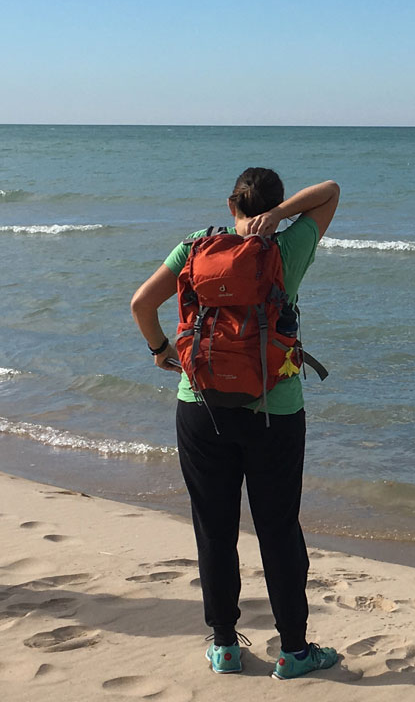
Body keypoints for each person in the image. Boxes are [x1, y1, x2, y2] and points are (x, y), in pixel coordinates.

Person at [131, 170, 340, 679]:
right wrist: (281, 216)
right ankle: (294, 652)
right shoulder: (286, 250)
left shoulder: (195, 247)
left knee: (215, 527)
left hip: (199, 404)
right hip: (275, 410)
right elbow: (331, 191)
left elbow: (141, 304)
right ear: (273, 206)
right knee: (278, 529)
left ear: (230, 205)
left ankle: (224, 646)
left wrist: (161, 351)